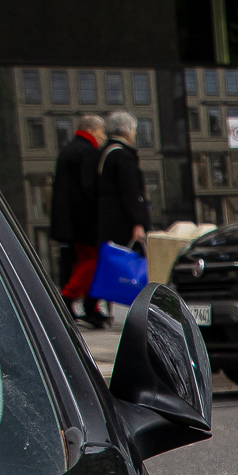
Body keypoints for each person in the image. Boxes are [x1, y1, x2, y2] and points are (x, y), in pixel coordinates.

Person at [89, 109, 149, 331]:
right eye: (133, 129)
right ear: (125, 130)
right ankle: (138, 307)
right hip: (122, 220)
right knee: (132, 263)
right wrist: (137, 222)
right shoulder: (123, 156)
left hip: (107, 218)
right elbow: (129, 192)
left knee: (109, 261)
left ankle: (96, 304)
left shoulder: (103, 154)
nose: (134, 134)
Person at [53, 112, 104, 326]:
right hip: (83, 220)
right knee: (91, 261)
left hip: (67, 219)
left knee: (82, 261)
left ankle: (86, 305)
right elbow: (88, 187)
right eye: (101, 132)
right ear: (91, 130)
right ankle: (68, 298)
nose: (103, 137)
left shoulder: (67, 150)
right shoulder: (88, 152)